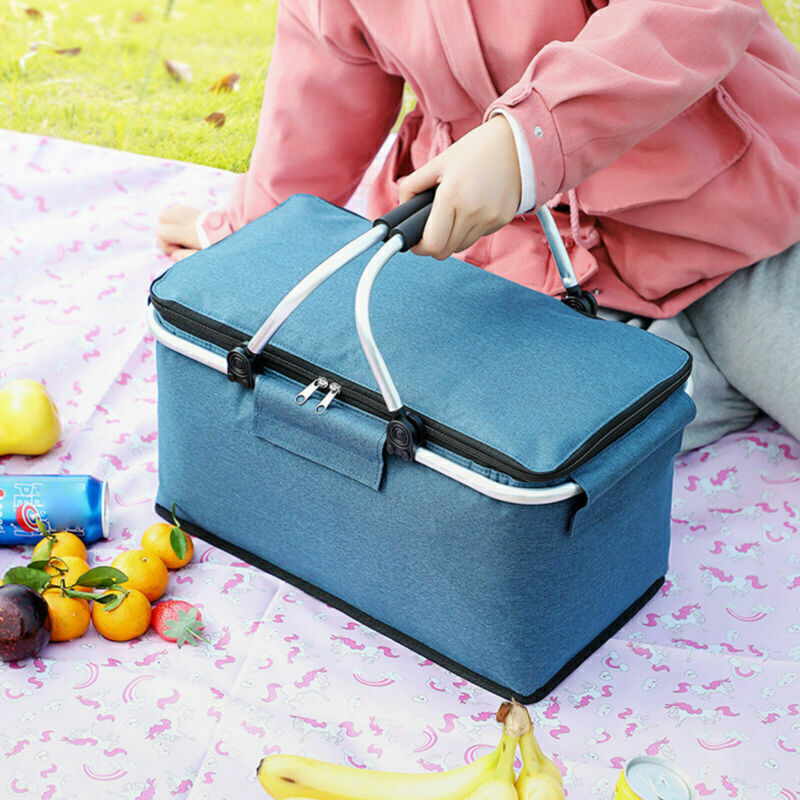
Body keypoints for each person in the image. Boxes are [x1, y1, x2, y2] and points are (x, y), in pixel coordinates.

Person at [157, 0, 800, 452]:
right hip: (540, 266)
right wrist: (248, 240)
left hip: (743, 232)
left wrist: (530, 137)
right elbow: (314, 107)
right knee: (473, 454)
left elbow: (691, 12)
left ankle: (700, 375)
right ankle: (691, 379)